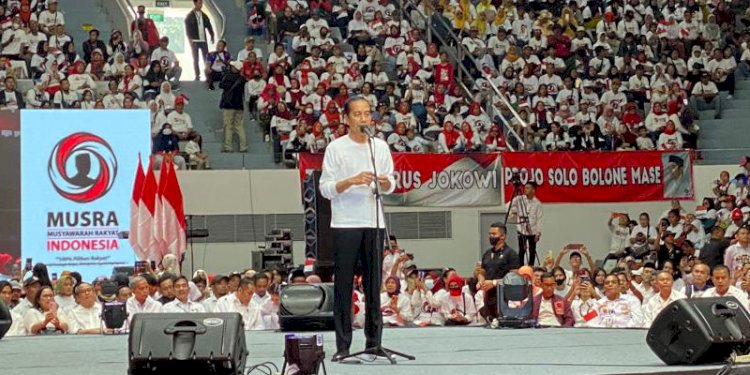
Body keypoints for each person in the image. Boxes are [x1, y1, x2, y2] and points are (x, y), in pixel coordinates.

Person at [318, 96, 396, 362]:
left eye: (367, 114)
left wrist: (384, 183)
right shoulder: (336, 148)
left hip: (373, 222)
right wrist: (350, 181)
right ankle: (343, 345)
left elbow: (391, 183)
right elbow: (325, 189)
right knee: (343, 286)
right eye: (357, 114)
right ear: (346, 118)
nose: (363, 119)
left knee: (374, 286)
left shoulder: (380, 147)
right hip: (346, 224)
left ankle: (375, 343)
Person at [476, 223, 521, 322]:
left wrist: (494, 283)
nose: (490, 236)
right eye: (489, 234)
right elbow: (482, 272)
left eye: (493, 234)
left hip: (504, 296)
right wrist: (481, 281)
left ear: (503, 236)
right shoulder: (487, 254)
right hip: (488, 296)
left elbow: (514, 278)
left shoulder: (511, 254)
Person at [508, 182, 543, 266]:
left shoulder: (537, 203)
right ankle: (520, 267)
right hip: (521, 229)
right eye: (525, 188)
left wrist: (538, 232)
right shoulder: (519, 199)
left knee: (532, 250)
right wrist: (513, 212)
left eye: (528, 188)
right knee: (522, 250)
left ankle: (531, 266)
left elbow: (539, 219)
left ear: (533, 190)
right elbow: (508, 206)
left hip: (532, 230)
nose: (525, 190)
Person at [220, 61, 247, 153]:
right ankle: (243, 147)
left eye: (232, 66)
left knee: (228, 126)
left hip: (229, 105)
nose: (230, 67)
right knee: (239, 126)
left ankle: (228, 147)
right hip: (239, 105)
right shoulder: (242, 79)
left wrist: (225, 74)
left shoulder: (228, 77)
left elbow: (221, 85)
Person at [184, 0, 215, 81]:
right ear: (195, 3)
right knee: (196, 59)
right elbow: (188, 29)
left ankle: (208, 75)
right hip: (194, 40)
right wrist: (190, 39)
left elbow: (209, 25)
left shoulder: (204, 15)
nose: (200, 5)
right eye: (199, 3)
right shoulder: (190, 16)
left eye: (201, 3)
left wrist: (212, 35)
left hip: (203, 40)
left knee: (206, 58)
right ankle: (197, 75)